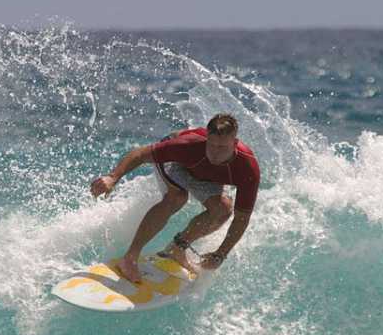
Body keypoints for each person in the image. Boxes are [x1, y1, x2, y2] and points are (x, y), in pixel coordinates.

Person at [90, 113, 260, 283]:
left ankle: (177, 249)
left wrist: (220, 254)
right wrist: (113, 177)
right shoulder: (188, 146)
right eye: (212, 145)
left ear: (235, 143)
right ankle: (129, 258)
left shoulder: (247, 168)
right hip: (178, 164)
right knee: (177, 197)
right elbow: (141, 154)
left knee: (223, 210)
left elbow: (242, 218)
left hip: (205, 176)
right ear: (207, 138)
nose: (215, 152)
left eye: (222, 147)